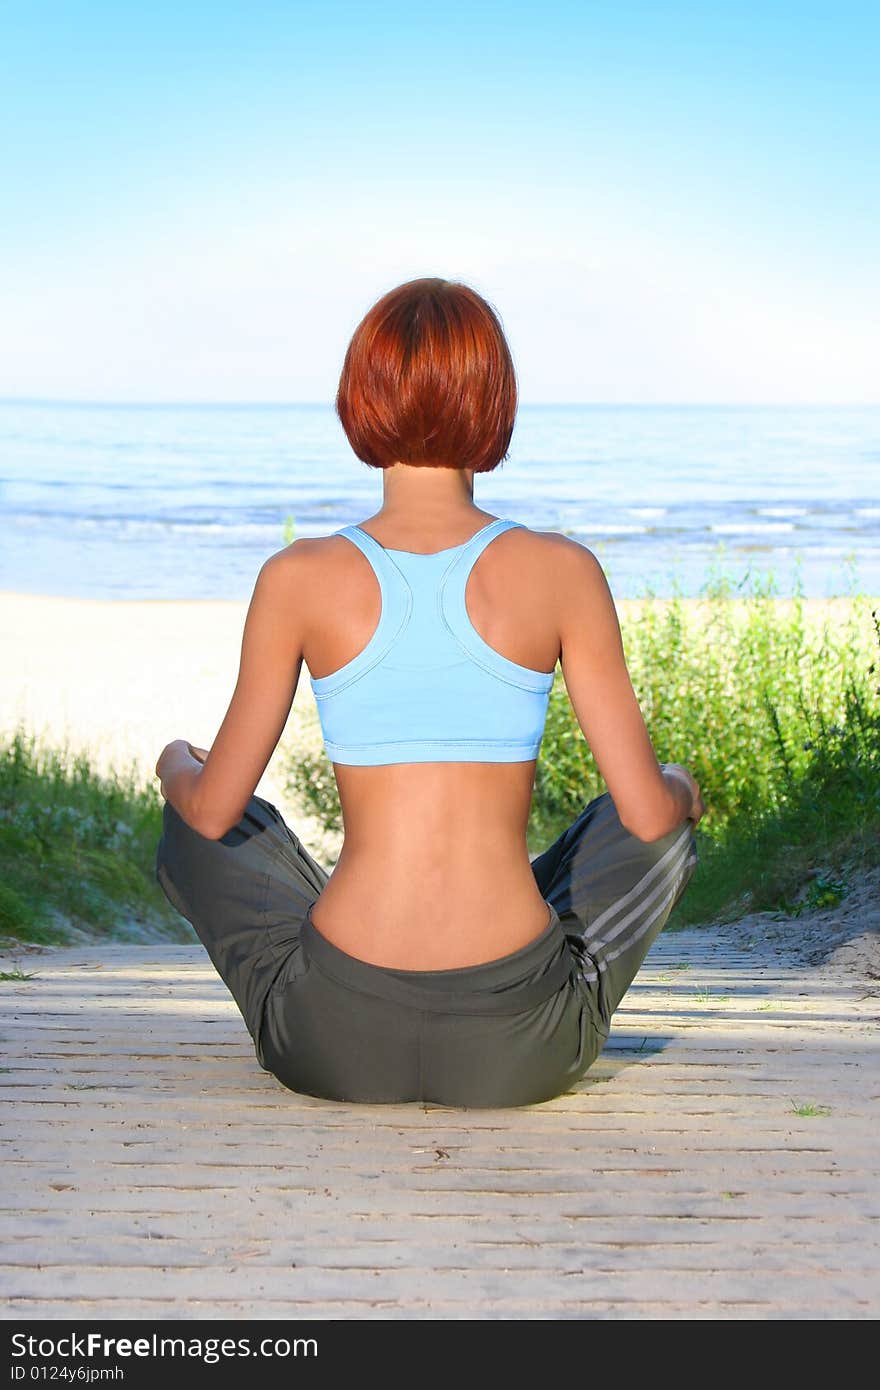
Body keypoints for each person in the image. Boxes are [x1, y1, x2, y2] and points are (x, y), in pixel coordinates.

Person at [155, 276, 705, 1108]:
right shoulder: (563, 572)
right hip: (520, 1044)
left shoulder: (298, 577)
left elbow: (209, 812)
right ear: (495, 403)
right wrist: (680, 791)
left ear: (360, 399)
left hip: (335, 1037)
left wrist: (173, 764)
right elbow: (647, 819)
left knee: (213, 820)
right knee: (649, 825)